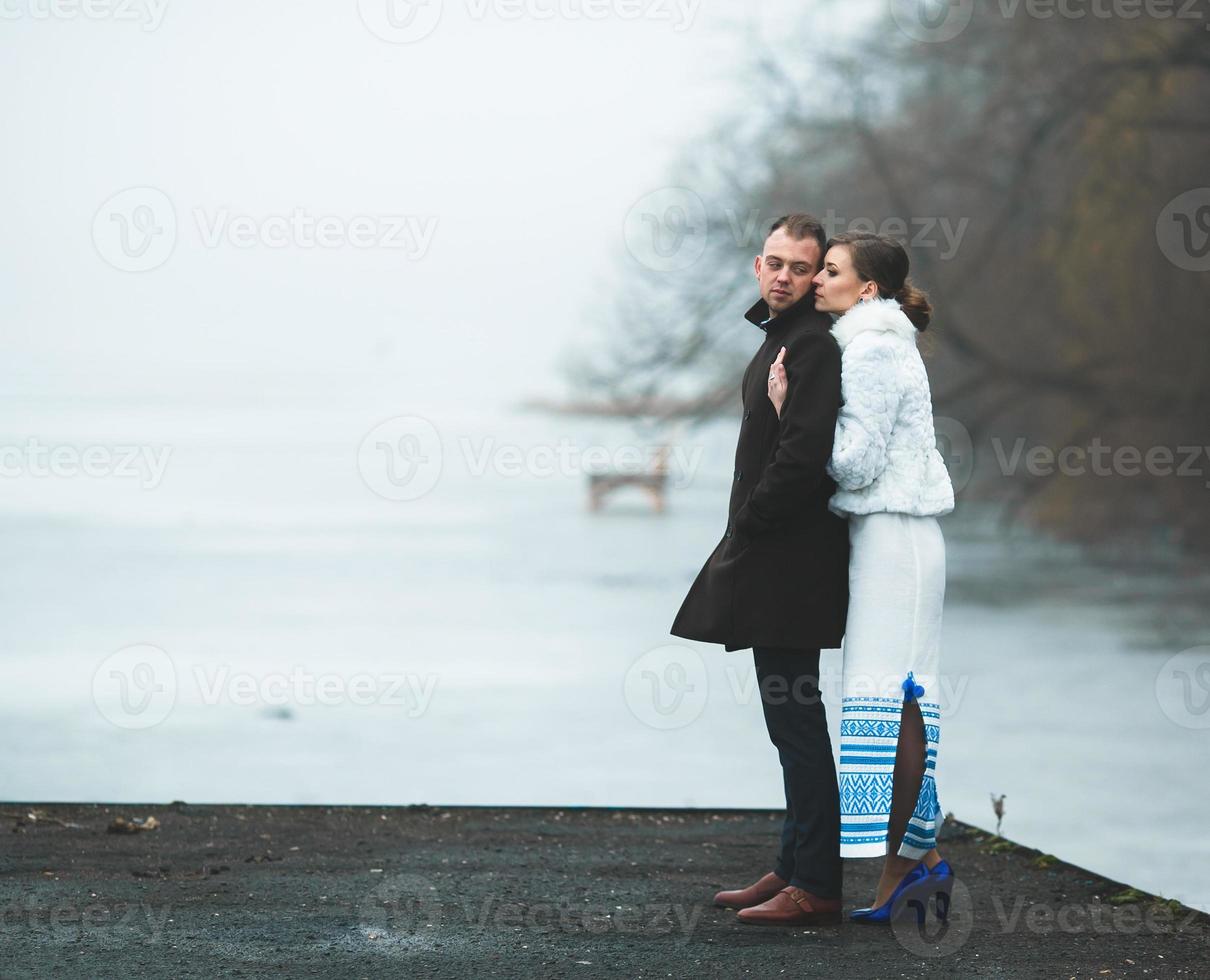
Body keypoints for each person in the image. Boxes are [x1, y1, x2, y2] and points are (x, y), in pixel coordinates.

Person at [767, 231, 956, 924]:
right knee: (900, 701)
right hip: (895, 536)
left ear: (866, 288)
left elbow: (854, 463)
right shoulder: (879, 343)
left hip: (895, 537)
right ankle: (914, 864)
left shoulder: (873, 350)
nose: (817, 280)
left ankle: (910, 867)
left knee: (893, 697)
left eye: (833, 272)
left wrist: (794, 414)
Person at [670, 213, 851, 927]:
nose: (783, 276)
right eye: (774, 263)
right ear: (757, 265)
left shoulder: (813, 347)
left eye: (800, 268)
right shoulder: (782, 339)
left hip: (790, 568)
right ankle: (794, 864)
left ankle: (819, 886)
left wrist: (747, 525)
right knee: (788, 723)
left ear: (815, 278)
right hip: (774, 562)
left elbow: (804, 460)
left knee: (798, 724)